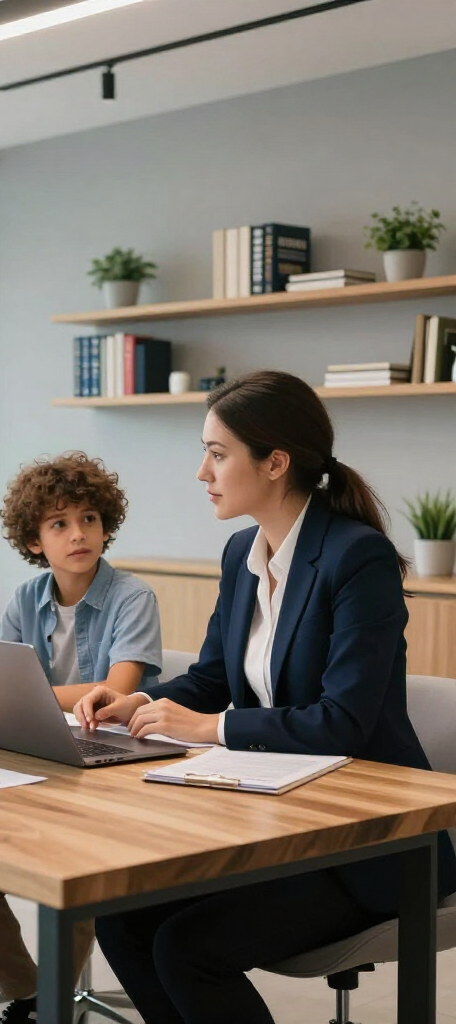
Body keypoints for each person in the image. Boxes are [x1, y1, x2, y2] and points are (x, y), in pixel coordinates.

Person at [74, 370, 456, 1024]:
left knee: (188, 947)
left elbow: (341, 722)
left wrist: (208, 729)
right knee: (121, 919)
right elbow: (213, 679)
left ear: (276, 462)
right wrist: (136, 705)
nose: (202, 471)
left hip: (370, 845)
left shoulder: (356, 558)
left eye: (217, 453)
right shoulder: (240, 554)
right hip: (277, 819)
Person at [0, 451, 163, 1024]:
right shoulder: (25, 598)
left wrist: (33, 689)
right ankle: (32, 994)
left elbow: (115, 692)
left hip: (111, 768)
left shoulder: (132, 597)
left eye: (89, 518)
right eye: (60, 524)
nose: (78, 534)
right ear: (35, 540)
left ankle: (48, 1006)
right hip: (41, 755)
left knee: (74, 866)